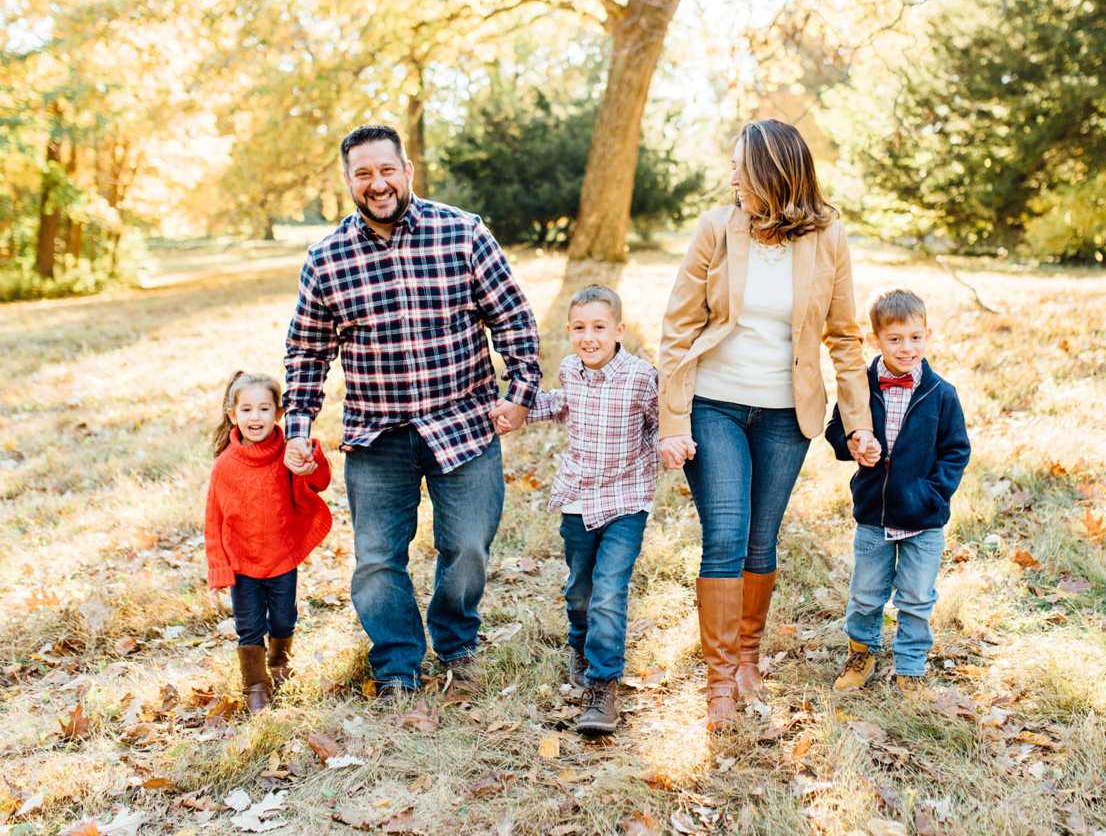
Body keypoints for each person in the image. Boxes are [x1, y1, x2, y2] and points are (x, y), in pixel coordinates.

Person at [283, 124, 541, 696]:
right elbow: (306, 351)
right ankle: (397, 663)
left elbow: (514, 319)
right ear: (348, 180)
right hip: (378, 435)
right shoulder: (326, 259)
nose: (377, 184)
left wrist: (519, 394)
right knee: (377, 560)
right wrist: (296, 428)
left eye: (387, 170)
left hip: (463, 423)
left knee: (468, 547)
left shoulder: (462, 233)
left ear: (407, 171)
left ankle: (455, 644)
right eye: (363, 174)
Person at [658, 118, 879, 731]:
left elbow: (844, 334)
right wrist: (673, 418)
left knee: (761, 538)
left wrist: (858, 423)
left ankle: (749, 660)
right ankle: (719, 682)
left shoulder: (828, 235)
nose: (731, 176)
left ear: (774, 173)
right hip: (715, 404)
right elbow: (677, 329)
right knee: (725, 535)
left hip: (786, 411)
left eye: (741, 167)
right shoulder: (716, 229)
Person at [509, 284, 658, 735]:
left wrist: (666, 452)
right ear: (568, 331)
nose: (588, 336)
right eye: (579, 327)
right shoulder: (570, 369)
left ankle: (603, 685)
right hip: (576, 499)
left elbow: (661, 422)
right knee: (579, 589)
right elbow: (560, 405)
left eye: (598, 326)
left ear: (619, 329)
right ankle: (580, 644)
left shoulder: (641, 376)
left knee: (609, 589)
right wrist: (516, 409)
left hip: (626, 500)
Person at [824, 289, 971, 693]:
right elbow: (836, 430)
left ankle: (910, 666)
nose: (906, 348)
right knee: (867, 594)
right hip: (874, 513)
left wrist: (933, 495)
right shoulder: (861, 387)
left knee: (916, 597)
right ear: (875, 340)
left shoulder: (941, 395)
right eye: (895, 339)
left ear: (928, 335)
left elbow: (956, 450)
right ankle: (863, 652)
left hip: (923, 519)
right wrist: (853, 441)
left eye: (915, 337)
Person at [204, 370, 333, 712]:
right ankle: (255, 689)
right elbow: (213, 519)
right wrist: (218, 568)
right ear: (233, 415)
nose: (255, 417)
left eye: (264, 409)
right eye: (246, 410)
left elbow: (319, 480)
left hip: (280, 557)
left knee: (282, 620)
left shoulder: (286, 454)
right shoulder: (225, 466)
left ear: (279, 413)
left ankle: (278, 667)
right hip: (242, 562)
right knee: (249, 627)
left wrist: (310, 458)